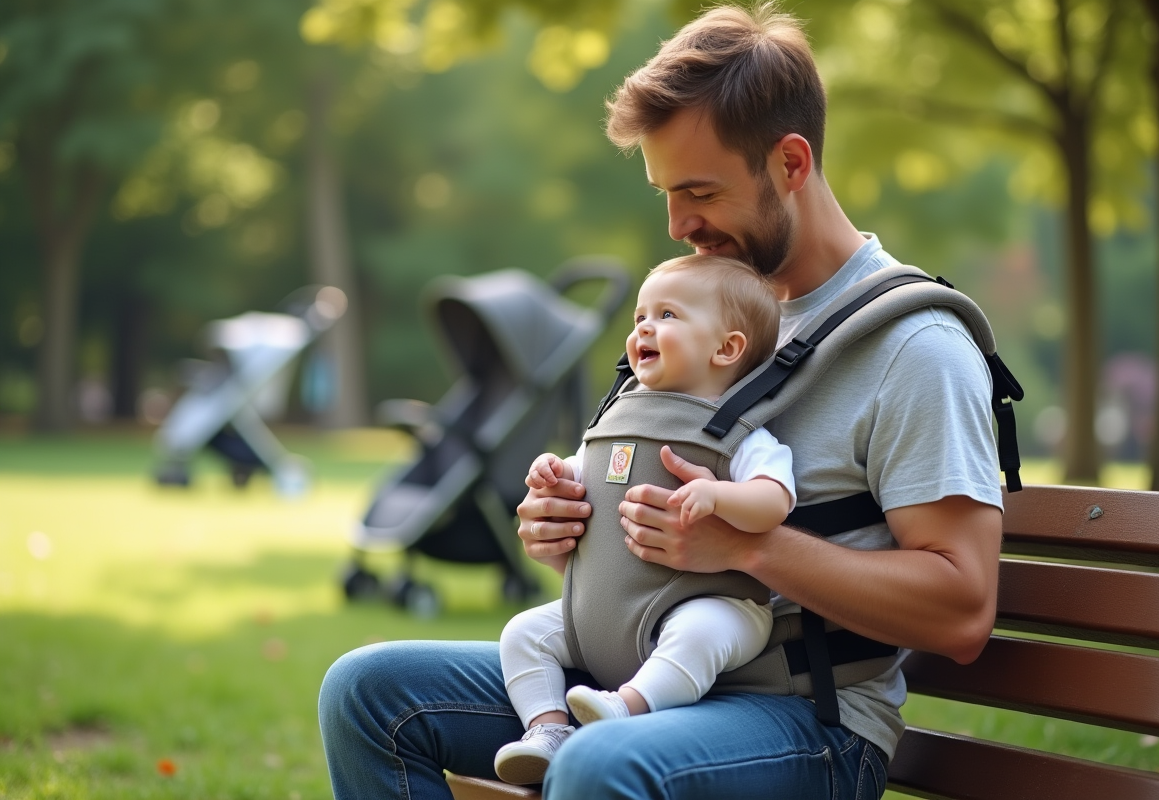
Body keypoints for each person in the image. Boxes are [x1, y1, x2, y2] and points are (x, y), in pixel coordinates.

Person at [318, 5, 1003, 799]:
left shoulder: (915, 348)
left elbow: (961, 611)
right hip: (632, 670)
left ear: (790, 162)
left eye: (700, 191)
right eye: (665, 194)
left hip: (805, 716)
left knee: (602, 761)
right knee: (367, 694)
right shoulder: (691, 313)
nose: (679, 225)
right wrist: (567, 525)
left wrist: (747, 547)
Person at [492, 254, 796, 785]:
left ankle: (628, 706)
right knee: (523, 632)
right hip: (604, 615)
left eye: (667, 315)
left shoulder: (740, 432)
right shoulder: (620, 416)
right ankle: (547, 729)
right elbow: (584, 471)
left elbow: (775, 499)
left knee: (700, 633)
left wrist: (719, 495)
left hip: (712, 603)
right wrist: (554, 474)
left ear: (726, 348)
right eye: (639, 318)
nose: (644, 329)